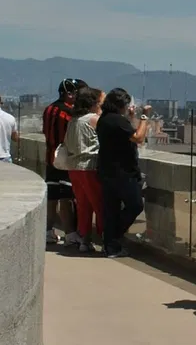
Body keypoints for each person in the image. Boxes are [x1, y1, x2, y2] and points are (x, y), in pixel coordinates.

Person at [96, 88, 153, 258]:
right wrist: (144, 116)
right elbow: (138, 138)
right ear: (121, 105)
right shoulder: (115, 120)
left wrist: (131, 118)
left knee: (111, 209)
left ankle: (110, 244)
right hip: (123, 172)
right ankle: (113, 238)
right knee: (135, 205)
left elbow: (126, 132)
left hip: (107, 170)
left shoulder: (106, 119)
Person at [63, 85, 105, 254]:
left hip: (74, 168)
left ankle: (84, 239)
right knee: (99, 204)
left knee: (83, 205)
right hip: (90, 167)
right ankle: (106, 239)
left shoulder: (73, 121)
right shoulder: (93, 120)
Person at [42, 79, 81, 246]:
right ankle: (70, 234)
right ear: (70, 94)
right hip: (65, 159)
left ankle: (48, 232)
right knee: (66, 196)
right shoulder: (68, 113)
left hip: (50, 157)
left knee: (51, 196)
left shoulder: (49, 109)